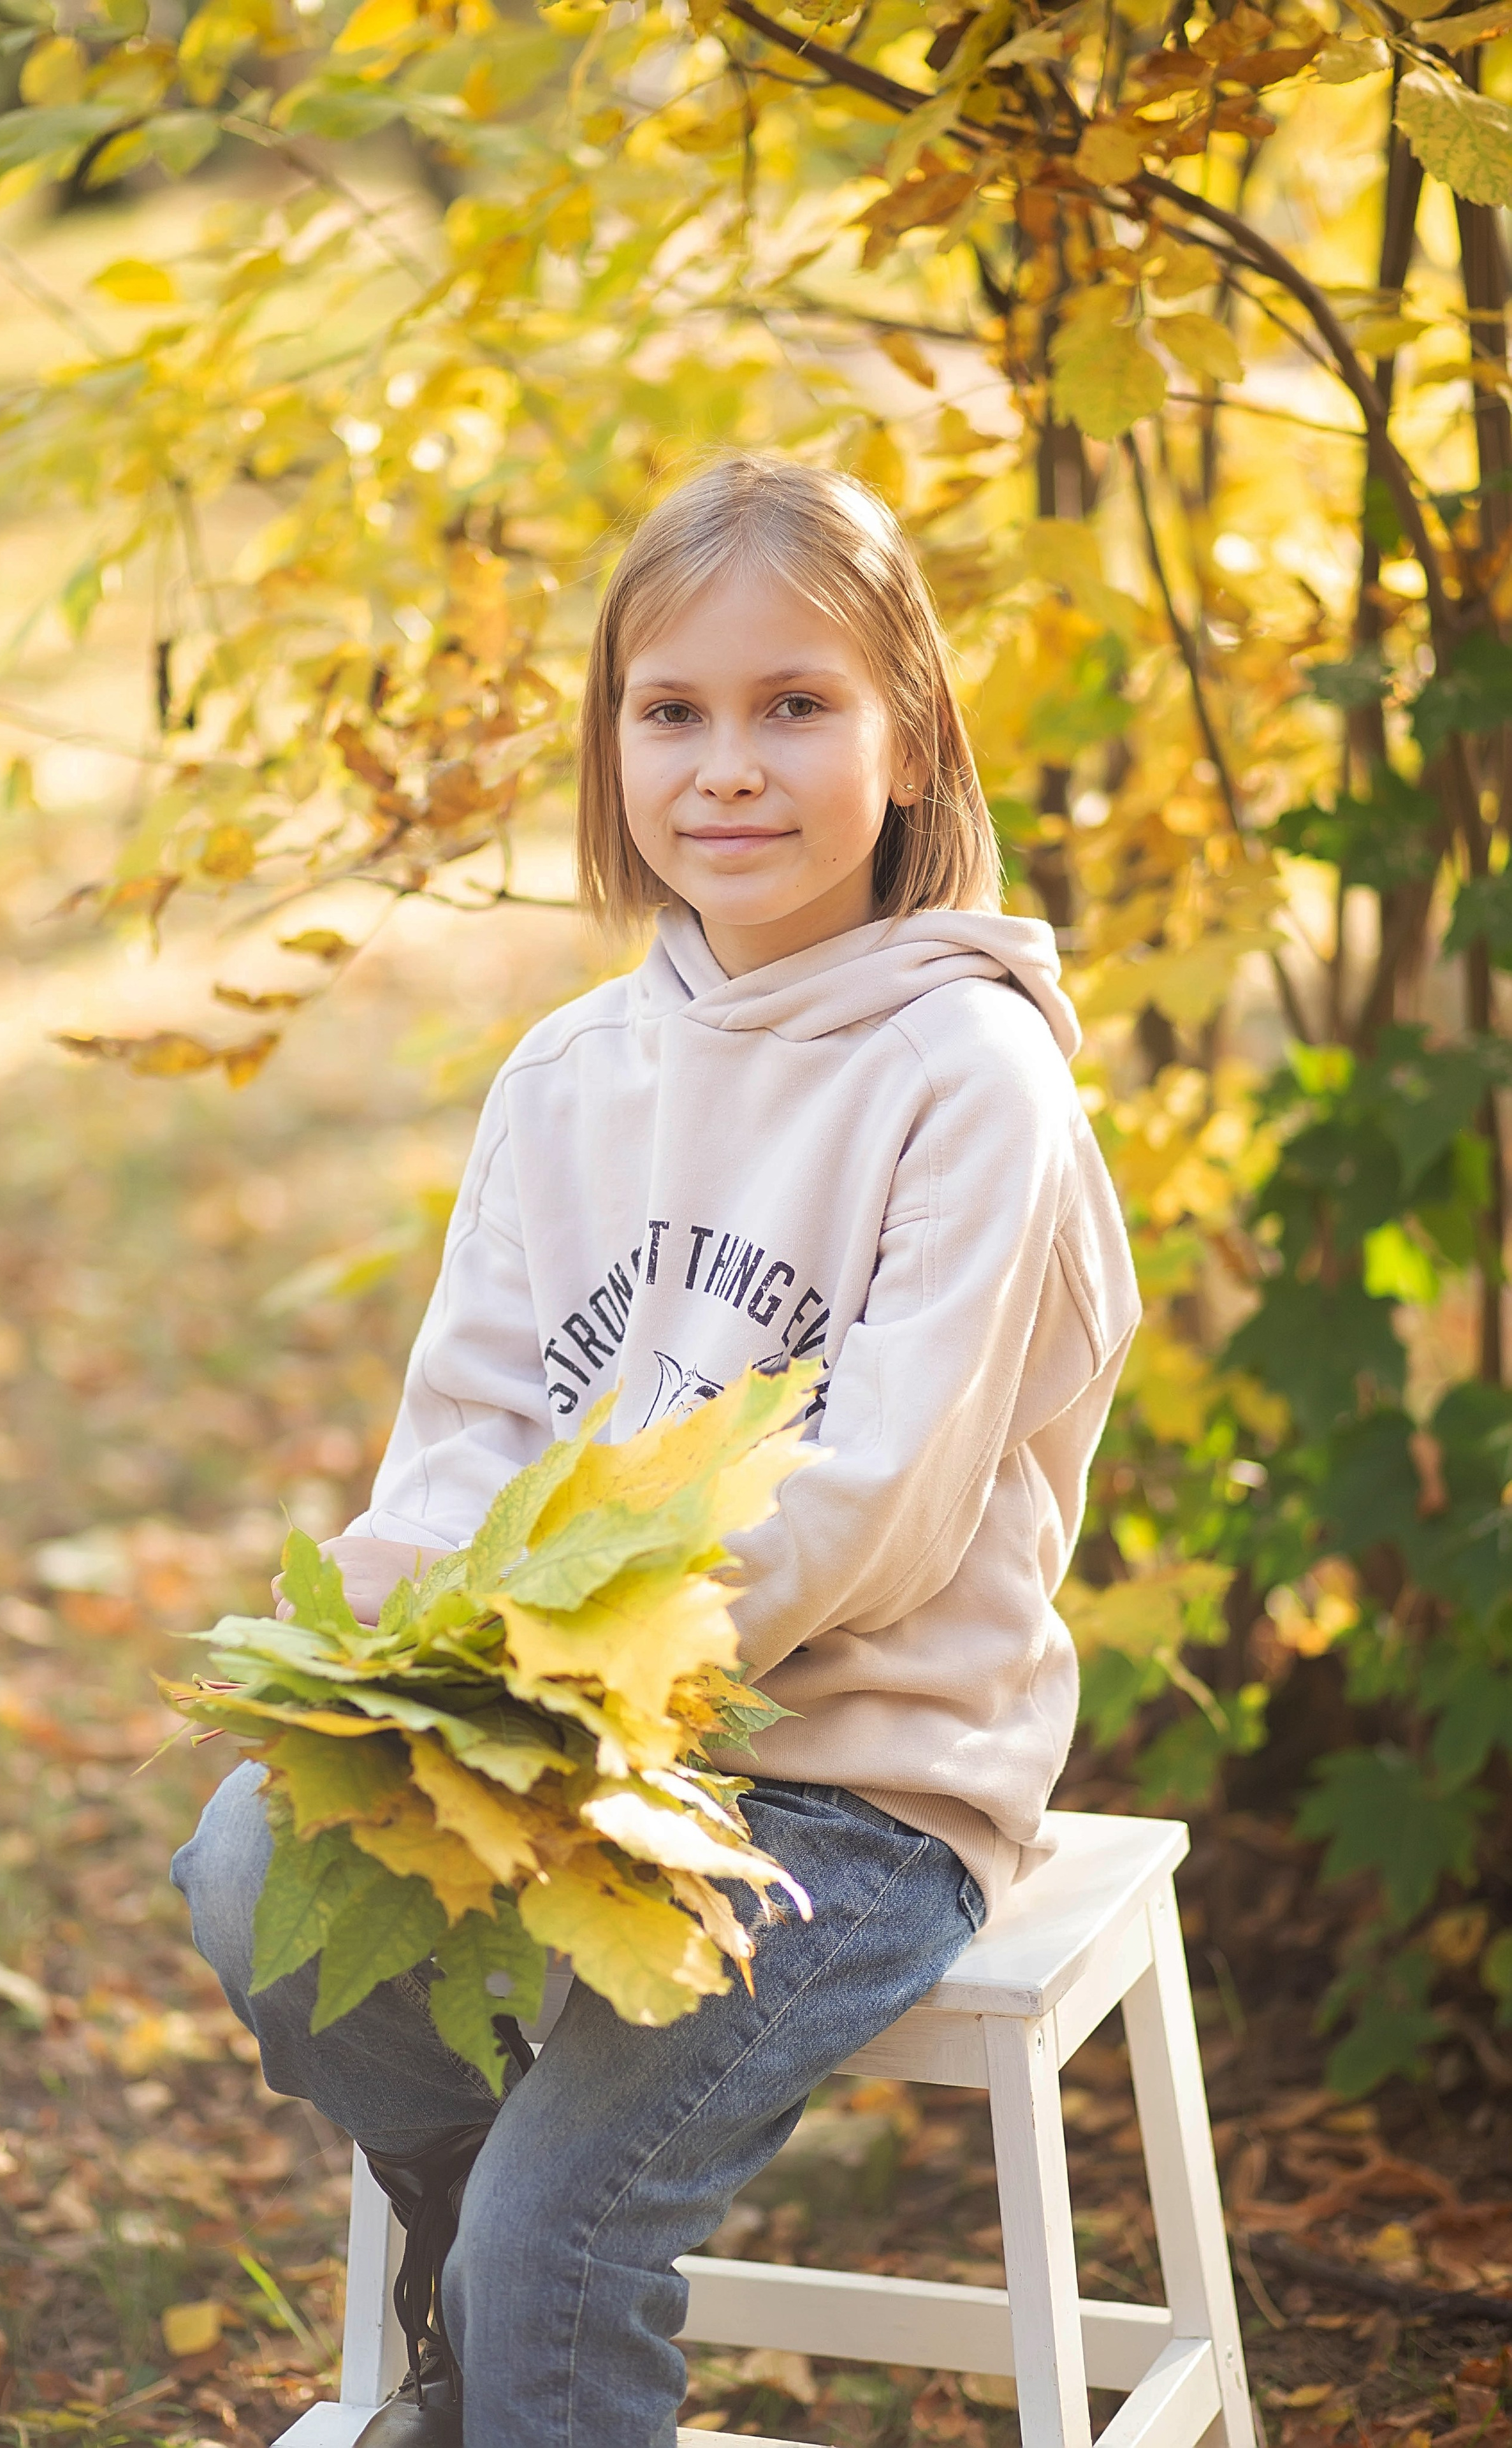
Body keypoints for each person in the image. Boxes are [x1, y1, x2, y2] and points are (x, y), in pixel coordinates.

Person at [171, 454, 1140, 2448]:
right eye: (672, 710)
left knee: (563, 2245)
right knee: (251, 1867)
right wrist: (403, 1667)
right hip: (564, 1742)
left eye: (797, 707)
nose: (731, 766)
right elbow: (463, 1447)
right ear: (614, 740)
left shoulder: (970, 1075)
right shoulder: (569, 1077)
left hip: (858, 1789)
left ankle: (520, 2286)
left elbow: (879, 1507)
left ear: (909, 735)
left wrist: (569, 1682)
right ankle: (478, 2261)